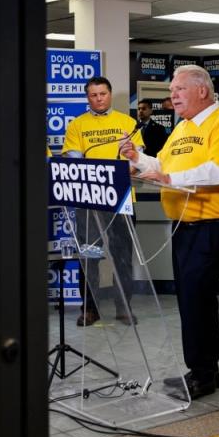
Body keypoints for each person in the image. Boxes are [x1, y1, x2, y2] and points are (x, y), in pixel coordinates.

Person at [120, 64, 219, 399]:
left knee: (196, 296)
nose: (172, 95)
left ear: (202, 90)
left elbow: (218, 171)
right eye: (172, 90)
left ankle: (203, 375)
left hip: (213, 222)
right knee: (191, 298)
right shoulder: (182, 128)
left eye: (179, 89)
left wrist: (169, 180)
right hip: (184, 224)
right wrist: (138, 159)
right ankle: (202, 371)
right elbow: (163, 165)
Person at [61, 76, 144, 326]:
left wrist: (131, 162)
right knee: (90, 255)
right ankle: (90, 309)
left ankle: (123, 307)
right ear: (88, 97)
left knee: (122, 254)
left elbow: (137, 158)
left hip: (120, 200)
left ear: (110, 94)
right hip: (88, 200)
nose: (98, 99)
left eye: (103, 94)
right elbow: (74, 159)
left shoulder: (127, 122)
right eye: (93, 95)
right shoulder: (77, 125)